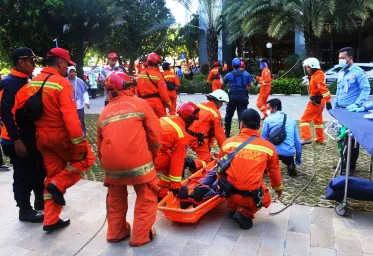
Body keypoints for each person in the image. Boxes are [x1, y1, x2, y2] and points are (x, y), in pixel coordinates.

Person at [14, 48, 95, 232]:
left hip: (42, 139)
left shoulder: (31, 83)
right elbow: (71, 118)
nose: (68, 68)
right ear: (60, 63)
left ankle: (50, 220)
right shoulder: (61, 84)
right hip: (61, 138)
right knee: (87, 160)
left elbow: (17, 108)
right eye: (67, 64)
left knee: (53, 174)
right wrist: (80, 143)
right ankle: (56, 185)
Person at [97, 71, 161, 246]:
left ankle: (115, 233)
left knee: (116, 197)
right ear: (129, 86)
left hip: (111, 165)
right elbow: (155, 136)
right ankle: (141, 236)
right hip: (138, 162)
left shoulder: (104, 112)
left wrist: (108, 167)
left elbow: (100, 147)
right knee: (147, 194)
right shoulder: (140, 104)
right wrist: (151, 158)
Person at [0, 47, 44, 222]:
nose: (34, 64)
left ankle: (40, 200)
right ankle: (24, 210)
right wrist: (17, 139)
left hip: (29, 137)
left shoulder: (26, 80)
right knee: (23, 175)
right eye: (32, 61)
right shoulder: (9, 84)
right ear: (21, 62)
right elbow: (5, 114)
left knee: (38, 170)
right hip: (15, 140)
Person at [219, 109, 283, 229]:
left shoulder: (228, 143)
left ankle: (232, 207)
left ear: (241, 124)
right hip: (249, 197)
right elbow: (274, 172)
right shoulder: (268, 148)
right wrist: (279, 190)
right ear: (259, 126)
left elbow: (219, 168)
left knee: (233, 179)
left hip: (228, 192)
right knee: (265, 195)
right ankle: (245, 213)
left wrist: (222, 187)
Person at [333, 47, 370, 173]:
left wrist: (357, 104)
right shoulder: (341, 72)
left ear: (350, 58)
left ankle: (350, 166)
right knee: (341, 137)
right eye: (339, 58)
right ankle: (343, 161)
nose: (340, 60)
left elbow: (365, 90)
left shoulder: (358, 72)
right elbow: (338, 90)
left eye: (343, 58)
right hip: (341, 110)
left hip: (352, 111)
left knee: (351, 139)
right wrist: (335, 106)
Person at [155, 102, 200, 199]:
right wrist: (175, 186)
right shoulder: (181, 135)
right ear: (190, 120)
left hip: (139, 149)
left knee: (168, 155)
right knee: (171, 162)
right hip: (147, 158)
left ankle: (161, 192)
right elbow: (178, 161)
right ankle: (162, 194)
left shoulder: (167, 118)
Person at [184, 89, 229, 172]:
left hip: (186, 135)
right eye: (222, 102)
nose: (221, 105)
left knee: (206, 156)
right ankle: (188, 163)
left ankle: (193, 167)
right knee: (206, 162)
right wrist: (225, 150)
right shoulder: (215, 113)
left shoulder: (200, 105)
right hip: (198, 140)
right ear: (218, 101)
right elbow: (219, 135)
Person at [261, 99, 302, 177]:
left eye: (268, 108)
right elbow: (297, 141)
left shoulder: (268, 120)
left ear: (275, 108)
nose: (267, 111)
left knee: (267, 158)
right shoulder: (291, 120)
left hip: (272, 153)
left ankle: (265, 167)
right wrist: (298, 158)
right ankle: (291, 165)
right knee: (289, 159)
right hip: (288, 152)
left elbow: (263, 140)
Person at [300, 57, 332, 145]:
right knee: (318, 120)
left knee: (304, 120)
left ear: (313, 66)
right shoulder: (317, 74)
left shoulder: (317, 76)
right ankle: (320, 138)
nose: (306, 69)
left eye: (307, 67)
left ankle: (306, 138)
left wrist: (328, 102)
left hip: (316, 101)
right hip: (319, 101)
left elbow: (323, 89)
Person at [223, 58, 253, 138]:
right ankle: (242, 133)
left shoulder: (229, 74)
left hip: (232, 97)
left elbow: (223, 82)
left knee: (229, 115)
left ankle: (227, 133)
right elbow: (251, 85)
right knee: (242, 116)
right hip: (243, 96)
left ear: (232, 65)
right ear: (240, 65)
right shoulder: (246, 74)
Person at [137, 53, 171, 118]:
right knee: (162, 123)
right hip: (157, 104)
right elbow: (163, 94)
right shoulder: (158, 76)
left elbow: (137, 92)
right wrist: (168, 104)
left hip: (144, 104)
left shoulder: (139, 75)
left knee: (148, 124)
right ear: (157, 64)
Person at [67, 66, 90, 136]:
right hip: (69, 105)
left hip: (79, 105)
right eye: (71, 72)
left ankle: (83, 133)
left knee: (80, 120)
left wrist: (87, 102)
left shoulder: (79, 81)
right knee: (71, 121)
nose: (73, 73)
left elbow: (84, 92)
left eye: (74, 72)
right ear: (68, 72)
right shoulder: (65, 81)